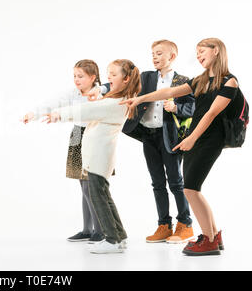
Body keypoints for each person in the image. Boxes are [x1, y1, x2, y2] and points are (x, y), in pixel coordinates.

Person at [120, 38, 240, 256]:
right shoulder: (202, 80)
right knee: (192, 189)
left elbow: (212, 113)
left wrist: (192, 138)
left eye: (202, 51)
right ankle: (212, 235)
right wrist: (139, 100)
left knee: (190, 188)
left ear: (216, 51)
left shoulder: (229, 81)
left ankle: (209, 240)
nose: (198, 55)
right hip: (197, 138)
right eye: (196, 52)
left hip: (210, 138)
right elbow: (168, 93)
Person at [43, 59, 141, 254]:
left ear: (126, 78)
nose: (109, 78)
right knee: (105, 196)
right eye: (109, 73)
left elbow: (86, 111)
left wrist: (58, 115)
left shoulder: (115, 102)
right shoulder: (115, 99)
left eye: (113, 74)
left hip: (98, 158)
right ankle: (120, 236)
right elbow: (90, 111)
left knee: (98, 197)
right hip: (99, 157)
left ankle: (111, 240)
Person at [22, 59, 110, 244]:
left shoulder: (100, 92)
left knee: (92, 186)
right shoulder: (73, 93)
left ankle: (101, 230)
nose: (76, 80)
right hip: (78, 135)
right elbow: (54, 102)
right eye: (74, 76)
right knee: (82, 185)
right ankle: (88, 229)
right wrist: (33, 114)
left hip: (94, 136)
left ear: (93, 77)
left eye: (81, 76)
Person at [121, 40, 194, 244]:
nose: (154, 57)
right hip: (148, 136)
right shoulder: (146, 77)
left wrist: (177, 108)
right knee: (157, 183)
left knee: (176, 182)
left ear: (172, 56)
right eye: (152, 53)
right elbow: (126, 85)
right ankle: (164, 225)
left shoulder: (183, 81)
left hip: (169, 136)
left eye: (159, 53)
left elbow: (194, 109)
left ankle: (185, 225)